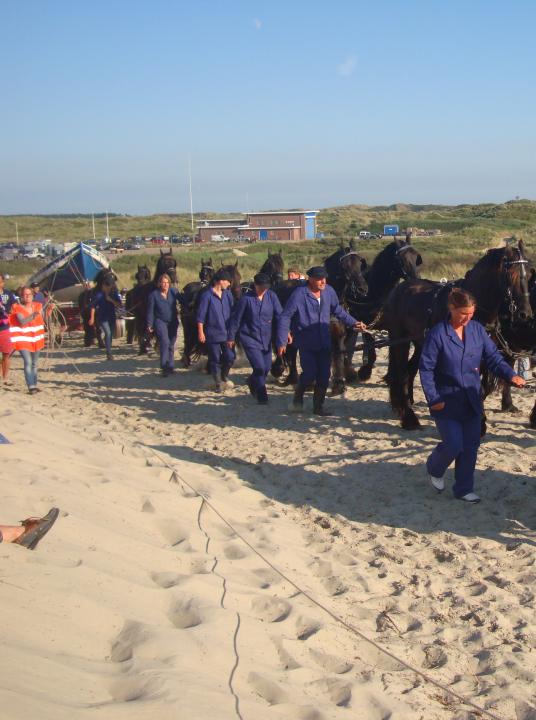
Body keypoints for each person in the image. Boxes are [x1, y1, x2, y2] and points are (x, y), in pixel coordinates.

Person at [419, 288, 526, 503]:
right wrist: (433, 398)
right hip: (445, 401)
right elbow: (426, 368)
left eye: (471, 313)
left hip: (471, 399)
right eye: (463, 313)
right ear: (451, 308)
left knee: (470, 445)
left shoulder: (477, 330)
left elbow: (493, 358)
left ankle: (464, 488)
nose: (467, 318)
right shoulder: (438, 334)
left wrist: (511, 375)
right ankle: (434, 467)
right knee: (453, 444)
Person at [277, 266, 366, 416]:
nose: (322, 281)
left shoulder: (329, 291)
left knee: (324, 376)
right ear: (310, 279)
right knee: (310, 373)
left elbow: (337, 310)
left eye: (324, 278)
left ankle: (318, 407)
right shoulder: (300, 294)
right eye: (319, 279)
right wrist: (282, 340)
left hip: (324, 340)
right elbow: (285, 316)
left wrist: (354, 322)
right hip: (306, 341)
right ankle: (298, 397)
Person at [227, 272, 283, 404]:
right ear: (255, 286)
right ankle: (262, 396)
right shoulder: (246, 299)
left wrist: (286, 332)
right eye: (261, 286)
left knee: (267, 367)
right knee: (259, 367)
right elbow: (236, 320)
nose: (263, 289)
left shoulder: (272, 297)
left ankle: (252, 381)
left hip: (266, 338)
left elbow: (280, 316)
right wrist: (231, 337)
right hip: (249, 337)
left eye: (266, 286)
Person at [197, 269, 235, 392]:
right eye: (228, 282)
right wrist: (201, 332)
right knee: (214, 359)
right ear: (220, 281)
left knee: (230, 356)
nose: (229, 284)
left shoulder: (228, 294)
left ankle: (224, 375)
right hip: (212, 333)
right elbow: (201, 316)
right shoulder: (207, 295)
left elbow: (233, 311)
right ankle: (218, 382)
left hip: (227, 333)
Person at [9, 286, 46, 394]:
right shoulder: (17, 308)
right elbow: (22, 322)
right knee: (28, 361)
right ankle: (31, 386)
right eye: (25, 294)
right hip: (22, 339)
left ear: (32, 295)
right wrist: (34, 314)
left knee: (34, 363)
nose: (27, 296)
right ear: (21, 296)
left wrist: (49, 310)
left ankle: (34, 384)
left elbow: (44, 319)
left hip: (36, 338)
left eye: (29, 294)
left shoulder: (38, 306)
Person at [147, 273, 182, 376]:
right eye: (163, 282)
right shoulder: (153, 295)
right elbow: (150, 311)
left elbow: (182, 300)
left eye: (167, 282)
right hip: (160, 321)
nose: (165, 284)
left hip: (173, 321)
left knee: (171, 344)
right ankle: (163, 366)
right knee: (165, 342)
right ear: (159, 284)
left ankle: (170, 366)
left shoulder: (173, 292)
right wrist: (149, 324)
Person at [88, 277, 122, 360]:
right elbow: (93, 306)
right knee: (108, 333)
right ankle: (109, 353)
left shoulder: (114, 294)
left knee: (110, 335)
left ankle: (108, 346)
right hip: (102, 318)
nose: (106, 287)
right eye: (105, 285)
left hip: (112, 317)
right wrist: (92, 318)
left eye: (108, 286)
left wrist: (111, 300)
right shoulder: (99, 295)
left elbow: (119, 305)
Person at [0, 273, 17, 387]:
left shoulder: (8, 294)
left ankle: (5, 378)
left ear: (2, 282)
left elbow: (15, 308)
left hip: (5, 328)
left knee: (6, 354)